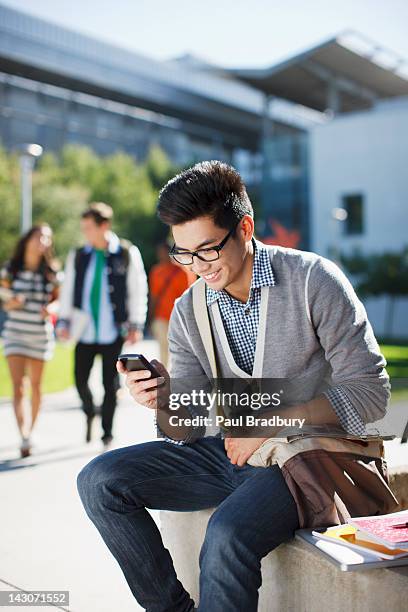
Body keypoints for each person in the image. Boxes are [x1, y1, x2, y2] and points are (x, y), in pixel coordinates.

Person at [77, 162, 390, 611]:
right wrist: (165, 399)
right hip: (233, 451)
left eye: (207, 250)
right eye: (183, 253)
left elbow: (373, 394)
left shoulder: (313, 280)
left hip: (308, 457)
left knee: (225, 535)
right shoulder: (189, 310)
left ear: (244, 228)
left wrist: (270, 425)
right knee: (98, 480)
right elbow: (185, 429)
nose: (197, 267)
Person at [57, 202, 148, 449]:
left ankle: (107, 432)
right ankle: (89, 410)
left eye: (89, 227)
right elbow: (67, 290)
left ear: (104, 225)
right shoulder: (79, 255)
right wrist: (63, 320)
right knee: (79, 380)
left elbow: (137, 291)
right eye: (83, 227)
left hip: (112, 331)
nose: (85, 232)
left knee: (110, 384)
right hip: (83, 330)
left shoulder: (126, 253)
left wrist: (136, 323)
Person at [0, 224, 59, 458]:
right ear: (28, 240)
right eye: (38, 236)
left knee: (35, 386)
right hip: (15, 332)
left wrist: (51, 309)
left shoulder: (51, 272)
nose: (42, 241)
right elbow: (4, 298)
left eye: (47, 238)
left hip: (39, 334)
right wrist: (10, 303)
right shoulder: (10, 270)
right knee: (18, 385)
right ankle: (23, 434)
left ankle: (31, 431)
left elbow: (59, 300)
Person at [148, 241, 195, 368]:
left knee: (178, 349)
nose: (161, 255)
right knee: (164, 347)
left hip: (177, 318)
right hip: (160, 317)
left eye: (163, 252)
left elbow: (188, 298)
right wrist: (150, 318)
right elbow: (153, 297)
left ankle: (176, 375)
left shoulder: (182, 272)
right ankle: (165, 377)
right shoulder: (156, 271)